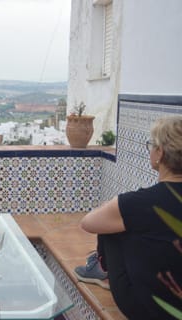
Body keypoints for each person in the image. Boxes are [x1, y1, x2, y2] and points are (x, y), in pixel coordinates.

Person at [75, 116, 182, 319]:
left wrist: (115, 203)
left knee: (113, 228)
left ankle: (101, 270)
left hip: (149, 309)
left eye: (152, 145)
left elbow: (89, 222)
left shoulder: (140, 202)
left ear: (161, 153)